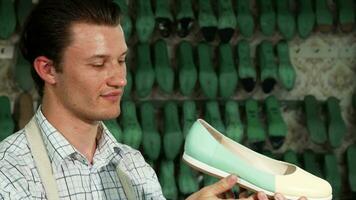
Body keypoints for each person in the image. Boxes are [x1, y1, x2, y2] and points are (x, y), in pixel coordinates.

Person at [0, 0, 306, 199]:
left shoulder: (134, 166)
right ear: (48, 69)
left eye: (121, 61)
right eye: (98, 64)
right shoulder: (10, 170)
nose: (119, 79)